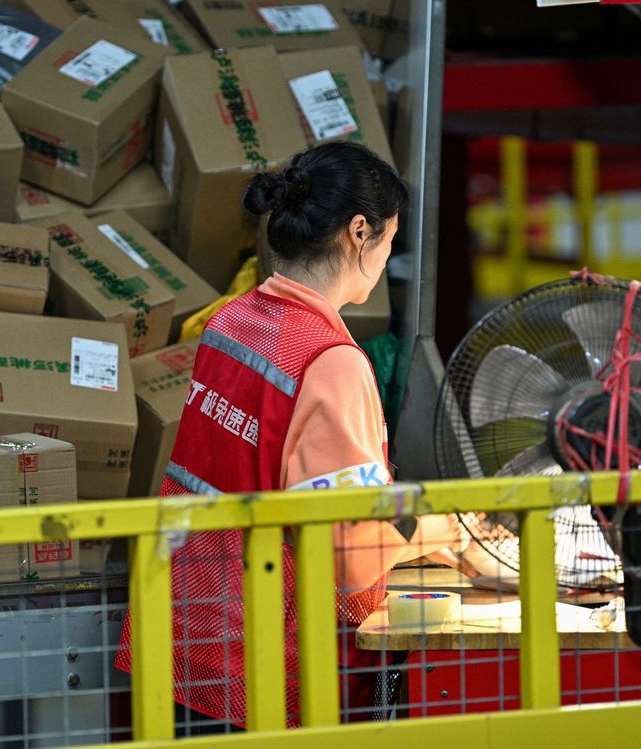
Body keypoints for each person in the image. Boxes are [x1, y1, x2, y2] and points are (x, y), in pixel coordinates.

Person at [116, 142, 485, 730]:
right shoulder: (330, 362)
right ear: (359, 232)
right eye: (390, 239)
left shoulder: (230, 322)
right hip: (258, 675)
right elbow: (352, 558)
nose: (389, 256)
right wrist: (453, 530)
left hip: (175, 640)